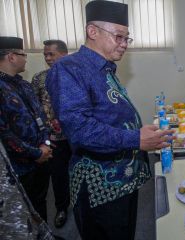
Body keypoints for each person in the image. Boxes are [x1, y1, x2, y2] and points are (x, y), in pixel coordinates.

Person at [45, 1, 174, 240]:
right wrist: (135, 137)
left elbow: (110, 115)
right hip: (100, 185)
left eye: (127, 38)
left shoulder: (105, 68)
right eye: (118, 37)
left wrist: (138, 129)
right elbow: (80, 129)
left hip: (124, 178)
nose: (124, 45)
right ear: (92, 31)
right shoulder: (69, 68)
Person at [0, 36, 52, 222]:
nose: (26, 58)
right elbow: (5, 134)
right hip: (19, 165)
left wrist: (44, 145)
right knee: (23, 210)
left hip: (43, 154)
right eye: (23, 54)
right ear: (11, 57)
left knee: (40, 201)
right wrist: (35, 153)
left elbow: (41, 116)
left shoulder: (23, 84)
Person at [31, 40, 70, 228]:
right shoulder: (39, 78)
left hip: (78, 135)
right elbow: (34, 109)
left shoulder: (76, 75)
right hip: (54, 139)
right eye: (45, 55)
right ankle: (62, 208)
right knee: (58, 175)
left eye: (51, 54)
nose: (47, 58)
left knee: (83, 171)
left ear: (64, 54)